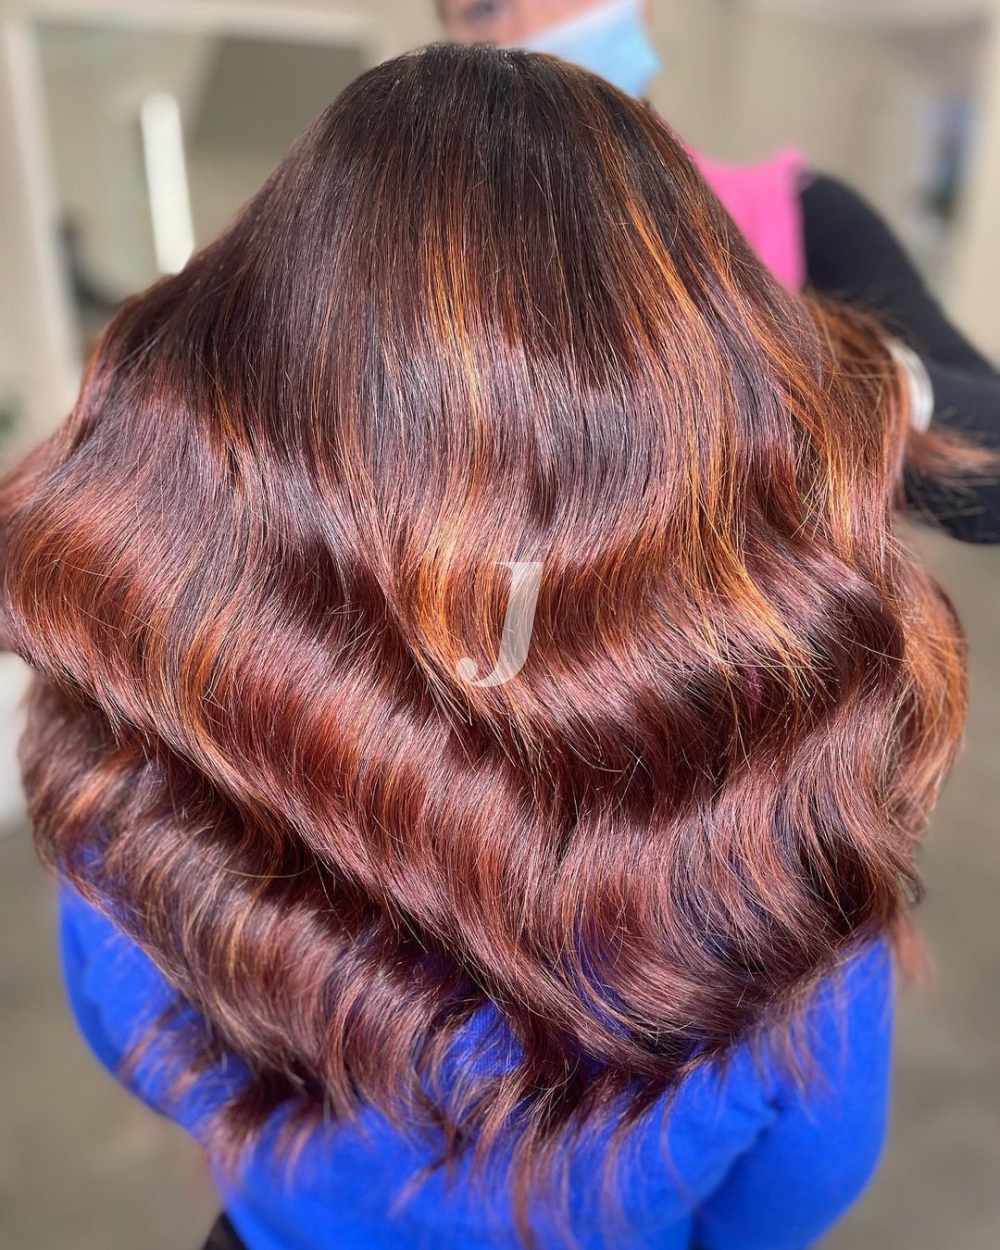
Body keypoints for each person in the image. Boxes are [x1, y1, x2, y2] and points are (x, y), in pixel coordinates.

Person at [3, 43, 1000, 1250]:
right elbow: (790, 1195)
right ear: (702, 423)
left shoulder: (142, 791)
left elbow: (138, 1046)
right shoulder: (780, 869)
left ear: (250, 390)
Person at [438, 0, 1000, 538]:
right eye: (484, 8)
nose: (537, 27)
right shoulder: (426, 257)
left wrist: (780, 360)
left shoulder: (804, 218)